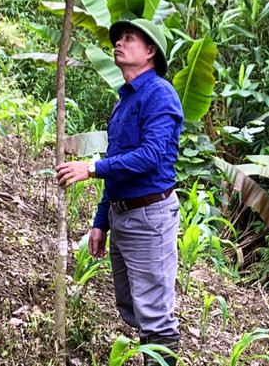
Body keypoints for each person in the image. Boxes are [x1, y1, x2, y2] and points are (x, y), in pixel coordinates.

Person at [55, 18, 184, 366]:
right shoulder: (124, 101)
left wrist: (91, 168)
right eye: (118, 39)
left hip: (149, 216)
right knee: (132, 306)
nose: (119, 43)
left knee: (155, 314)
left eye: (129, 38)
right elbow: (118, 161)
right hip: (122, 213)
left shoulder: (159, 93)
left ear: (150, 51)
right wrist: (101, 221)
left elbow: (151, 155)